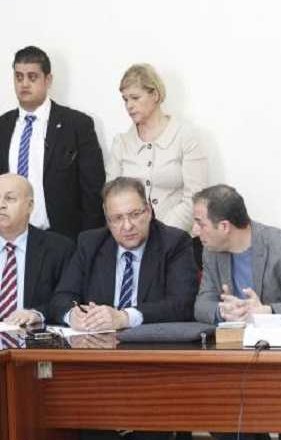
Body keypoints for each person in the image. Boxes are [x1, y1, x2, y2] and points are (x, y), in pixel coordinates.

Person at [49, 176, 197, 331]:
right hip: (97, 340)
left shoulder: (174, 243)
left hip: (150, 341)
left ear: (148, 212)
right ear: (108, 221)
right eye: (117, 218)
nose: (127, 226)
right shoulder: (90, 244)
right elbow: (61, 298)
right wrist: (72, 315)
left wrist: (125, 317)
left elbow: (182, 304)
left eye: (135, 214)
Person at [0, 45, 105, 240]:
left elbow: (93, 190)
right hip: (8, 238)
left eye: (32, 77)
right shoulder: (3, 126)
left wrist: (88, 243)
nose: (24, 84)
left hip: (61, 239)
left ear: (48, 80)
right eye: (19, 77)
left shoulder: (76, 125)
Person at [193, 184, 281, 326]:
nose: (195, 231)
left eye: (201, 224)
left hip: (276, 337)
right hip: (233, 338)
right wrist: (224, 311)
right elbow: (201, 306)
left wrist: (267, 311)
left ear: (224, 226)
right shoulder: (212, 251)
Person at [106, 63, 208, 234]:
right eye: (125, 100)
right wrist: (132, 230)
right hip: (131, 237)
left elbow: (197, 196)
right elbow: (111, 198)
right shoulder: (121, 142)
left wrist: (162, 234)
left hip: (177, 237)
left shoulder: (185, 136)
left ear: (155, 95)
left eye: (135, 98)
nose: (129, 106)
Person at [0, 174, 74, 326]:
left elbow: (65, 300)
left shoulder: (59, 248)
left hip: (32, 335)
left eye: (10, 198)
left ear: (30, 206)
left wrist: (38, 314)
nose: (1, 205)